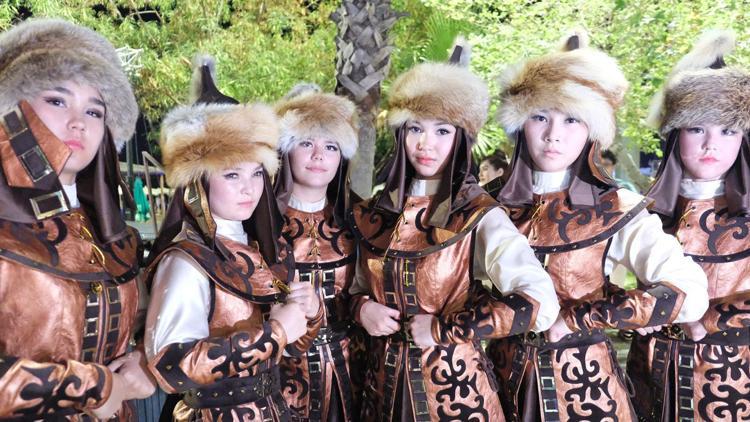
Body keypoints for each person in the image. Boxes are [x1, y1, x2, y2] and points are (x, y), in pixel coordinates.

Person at [486, 29, 709, 421]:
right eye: (540, 116)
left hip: (588, 392)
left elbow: (689, 291)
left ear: (592, 129)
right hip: (497, 386)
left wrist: (585, 316)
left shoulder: (617, 207)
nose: (554, 135)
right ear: (520, 123)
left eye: (572, 119)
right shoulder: (485, 205)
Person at [349, 38, 560, 422]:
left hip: (458, 397)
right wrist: (362, 308)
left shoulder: (478, 214)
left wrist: (445, 328)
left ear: (462, 138)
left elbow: (540, 302)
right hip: (382, 393)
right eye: (415, 128)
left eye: (442, 131)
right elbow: (358, 287)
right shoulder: (374, 212)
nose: (425, 144)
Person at [144, 55, 323, 421]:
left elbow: (291, 348)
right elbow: (169, 367)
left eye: (257, 173)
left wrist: (310, 312)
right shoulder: (186, 262)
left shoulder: (263, 251)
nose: (249, 188)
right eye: (231, 175)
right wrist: (274, 333)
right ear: (199, 182)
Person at [0, 18, 155, 420]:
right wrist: (97, 387)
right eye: (57, 100)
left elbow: (133, 327)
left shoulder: (114, 236)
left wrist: (142, 359)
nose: (78, 122)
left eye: (94, 110)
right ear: (12, 108)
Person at [626, 30, 750, 421]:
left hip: (733, 378)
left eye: (727, 130)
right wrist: (636, 309)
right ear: (675, 135)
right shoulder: (641, 212)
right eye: (697, 128)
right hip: (652, 374)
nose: (711, 144)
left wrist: (699, 316)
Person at [273, 83, 365, 421]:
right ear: (286, 149)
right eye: (306, 143)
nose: (318, 155)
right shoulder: (261, 225)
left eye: (330, 146)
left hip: (353, 372)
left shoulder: (361, 221)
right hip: (282, 376)